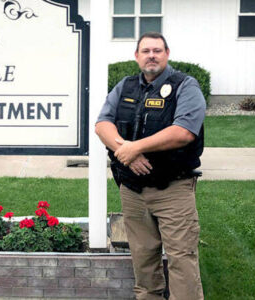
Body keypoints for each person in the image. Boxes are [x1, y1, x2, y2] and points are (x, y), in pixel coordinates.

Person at [95, 32, 205, 300]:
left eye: (157, 50)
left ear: (167, 54)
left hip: (173, 189)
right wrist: (126, 151)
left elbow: (184, 132)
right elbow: (102, 125)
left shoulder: (185, 86)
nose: (151, 55)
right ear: (137, 56)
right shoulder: (125, 86)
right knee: (143, 257)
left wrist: (137, 147)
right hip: (132, 190)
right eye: (146, 51)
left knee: (181, 258)